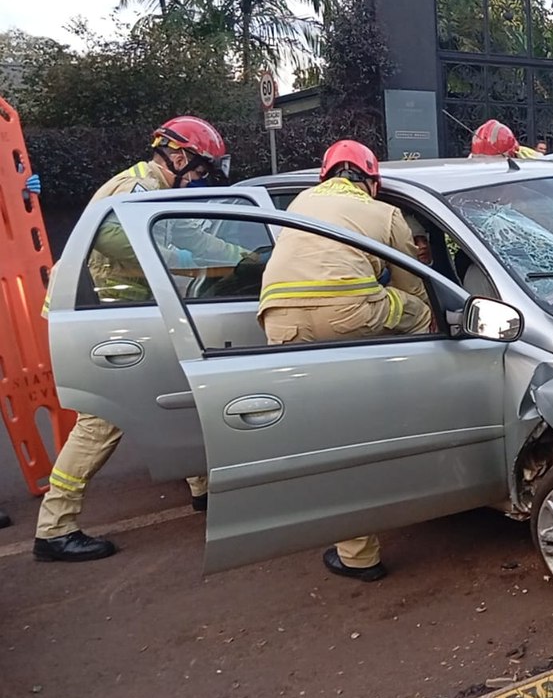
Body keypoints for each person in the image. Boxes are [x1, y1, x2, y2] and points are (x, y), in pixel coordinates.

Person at [34, 116, 243, 563]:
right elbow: (113, 238)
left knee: (182, 395)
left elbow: (196, 238)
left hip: (127, 313)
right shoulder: (136, 191)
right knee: (101, 422)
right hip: (100, 315)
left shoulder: (159, 193)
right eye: (201, 168)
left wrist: (250, 260)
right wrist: (170, 256)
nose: (201, 178)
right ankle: (55, 528)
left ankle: (203, 487)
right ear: (179, 157)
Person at [257, 139, 435, 582]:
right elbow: (412, 283)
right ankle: (423, 400)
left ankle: (353, 551)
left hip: (279, 319)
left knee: (326, 435)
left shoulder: (299, 202)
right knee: (422, 313)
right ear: (371, 182)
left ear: (326, 176)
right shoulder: (385, 213)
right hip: (348, 314)